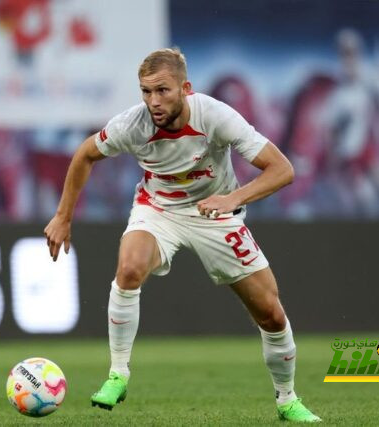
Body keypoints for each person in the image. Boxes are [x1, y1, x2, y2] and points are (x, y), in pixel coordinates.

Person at [43, 48, 321, 423]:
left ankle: (287, 400)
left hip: (217, 214)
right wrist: (63, 216)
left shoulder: (216, 116)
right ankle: (117, 374)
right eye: (146, 91)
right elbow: (84, 155)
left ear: (185, 88)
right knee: (129, 269)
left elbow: (282, 169)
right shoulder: (133, 124)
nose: (153, 102)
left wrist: (231, 199)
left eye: (163, 91)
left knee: (271, 313)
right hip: (158, 209)